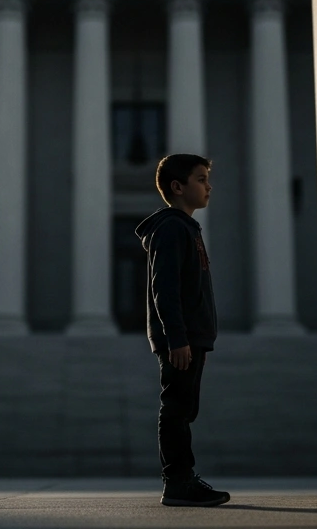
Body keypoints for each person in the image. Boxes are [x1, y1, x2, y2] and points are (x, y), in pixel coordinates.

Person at [135, 153, 229, 507]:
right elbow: (166, 288)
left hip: (191, 337)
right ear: (178, 187)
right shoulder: (173, 228)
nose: (208, 186)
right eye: (201, 179)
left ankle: (182, 480)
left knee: (184, 409)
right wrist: (177, 338)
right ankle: (178, 482)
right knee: (176, 409)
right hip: (182, 339)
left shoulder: (186, 227)